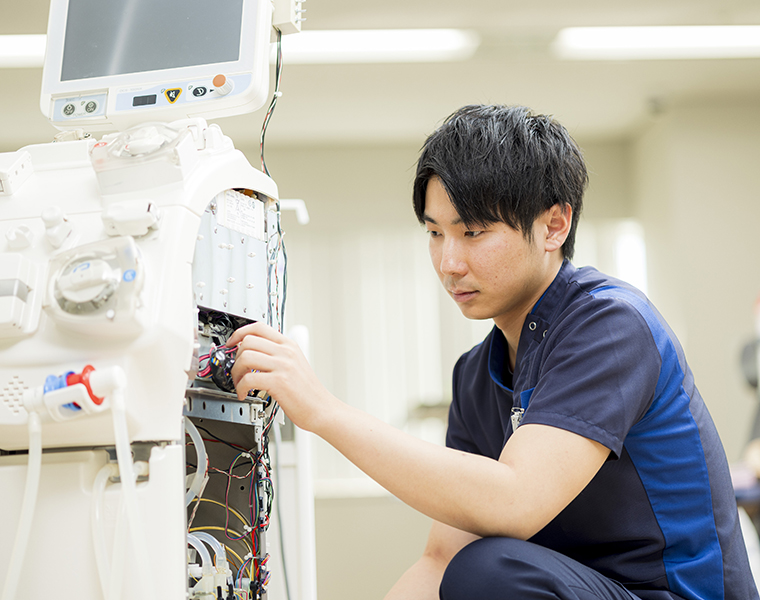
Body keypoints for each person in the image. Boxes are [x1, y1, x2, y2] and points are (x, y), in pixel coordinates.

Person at [226, 104, 759, 600]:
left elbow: (515, 501)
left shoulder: (611, 326)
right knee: (470, 566)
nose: (448, 261)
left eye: (473, 232)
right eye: (435, 233)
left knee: (489, 571)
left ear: (555, 225)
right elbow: (438, 560)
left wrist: (323, 411)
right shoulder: (478, 374)